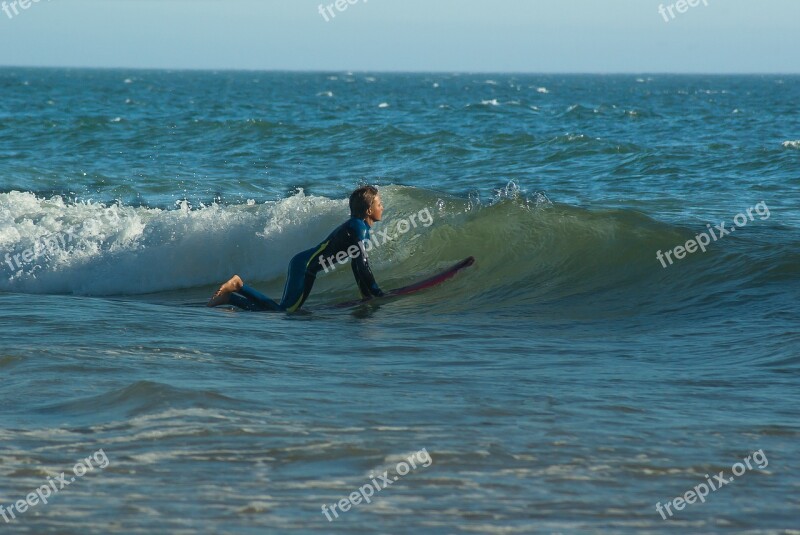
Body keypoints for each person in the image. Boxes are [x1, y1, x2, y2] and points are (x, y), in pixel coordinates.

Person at [207, 186, 385, 312]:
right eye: (379, 204)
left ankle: (235, 292)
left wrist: (366, 294)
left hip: (304, 266)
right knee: (284, 311)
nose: (382, 207)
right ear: (369, 210)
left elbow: (356, 263)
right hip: (305, 267)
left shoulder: (357, 227)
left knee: (285, 309)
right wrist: (377, 292)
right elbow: (362, 263)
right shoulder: (359, 228)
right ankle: (235, 291)